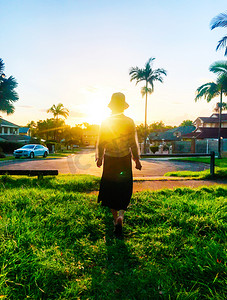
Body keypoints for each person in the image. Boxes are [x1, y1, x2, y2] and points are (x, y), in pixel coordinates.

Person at [96, 92, 142, 236]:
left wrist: (100, 158)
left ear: (111, 107)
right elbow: (133, 143)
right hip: (124, 159)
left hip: (110, 159)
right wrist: (137, 159)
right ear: (123, 107)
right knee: (123, 187)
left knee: (110, 188)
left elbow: (101, 142)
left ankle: (115, 219)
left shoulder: (106, 122)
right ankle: (121, 215)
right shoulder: (129, 121)